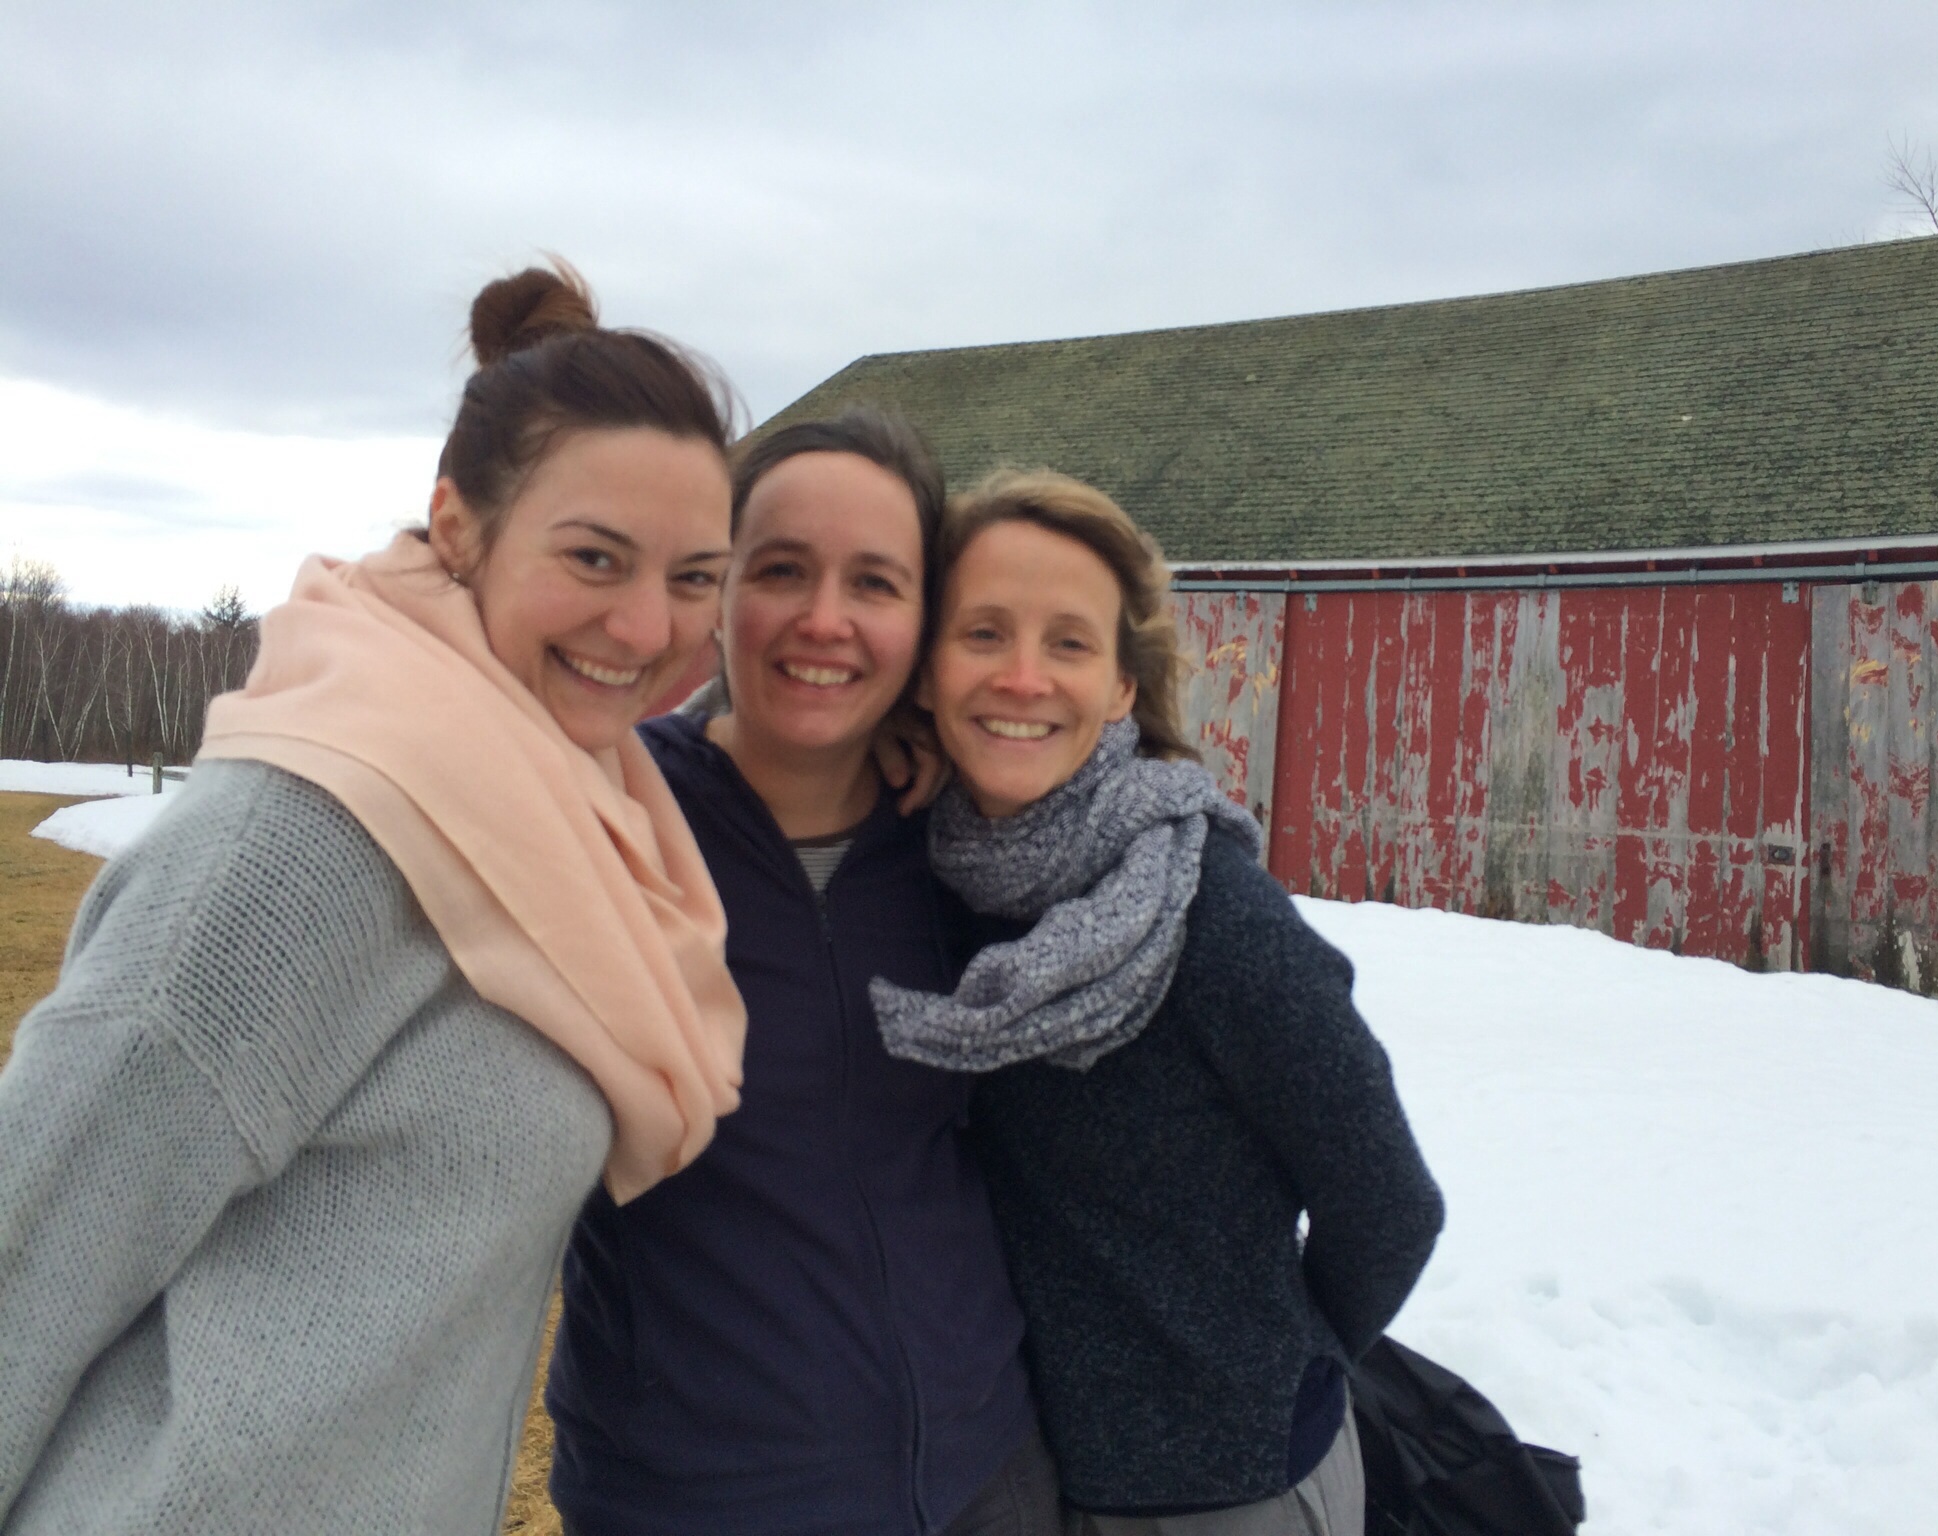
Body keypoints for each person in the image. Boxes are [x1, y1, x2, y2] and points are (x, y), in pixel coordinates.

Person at [0, 263, 747, 1536]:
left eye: (693, 578)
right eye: (594, 557)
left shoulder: (567, 814)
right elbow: (30, 1244)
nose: (644, 626)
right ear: (457, 525)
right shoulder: (308, 835)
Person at [872, 470, 1446, 1536]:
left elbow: (1390, 1206)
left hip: (1229, 1492)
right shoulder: (933, 879)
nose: (1022, 677)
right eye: (983, 633)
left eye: (1069, 643)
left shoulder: (1204, 914)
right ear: (924, 665)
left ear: (1122, 687)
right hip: (1031, 1471)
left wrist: (1266, 1376)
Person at [547, 409, 1058, 1536]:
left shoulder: (974, 841)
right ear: (717, 591)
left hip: (986, 1475)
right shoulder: (602, 816)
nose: (824, 620)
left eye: (875, 583)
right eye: (780, 569)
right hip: (697, 1500)